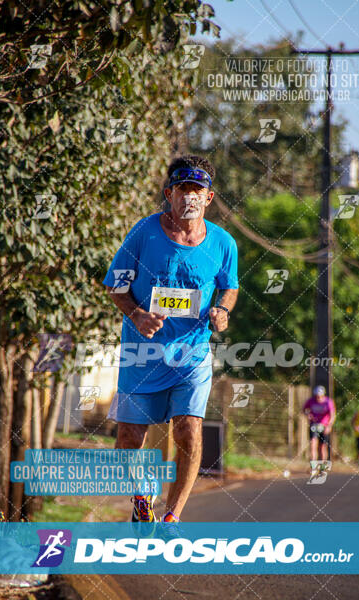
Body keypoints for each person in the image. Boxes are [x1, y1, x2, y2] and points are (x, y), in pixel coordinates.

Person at [103, 155, 239, 526]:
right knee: (128, 440)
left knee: (188, 429)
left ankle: (172, 516)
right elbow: (115, 285)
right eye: (183, 190)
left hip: (192, 354)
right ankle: (143, 495)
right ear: (170, 194)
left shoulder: (224, 244)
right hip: (142, 352)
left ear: (209, 198)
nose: (189, 197)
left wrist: (221, 311)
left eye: (197, 191)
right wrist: (137, 314)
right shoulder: (145, 233)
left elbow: (229, 288)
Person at [302, 385, 336, 462]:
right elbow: (304, 410)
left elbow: (332, 415)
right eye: (317, 396)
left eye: (320, 396)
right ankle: (313, 467)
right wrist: (308, 414)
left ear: (323, 395)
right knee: (312, 446)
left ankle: (322, 468)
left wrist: (329, 426)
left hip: (324, 426)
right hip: (314, 425)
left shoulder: (328, 402)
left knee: (322, 447)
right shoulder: (311, 401)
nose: (318, 398)